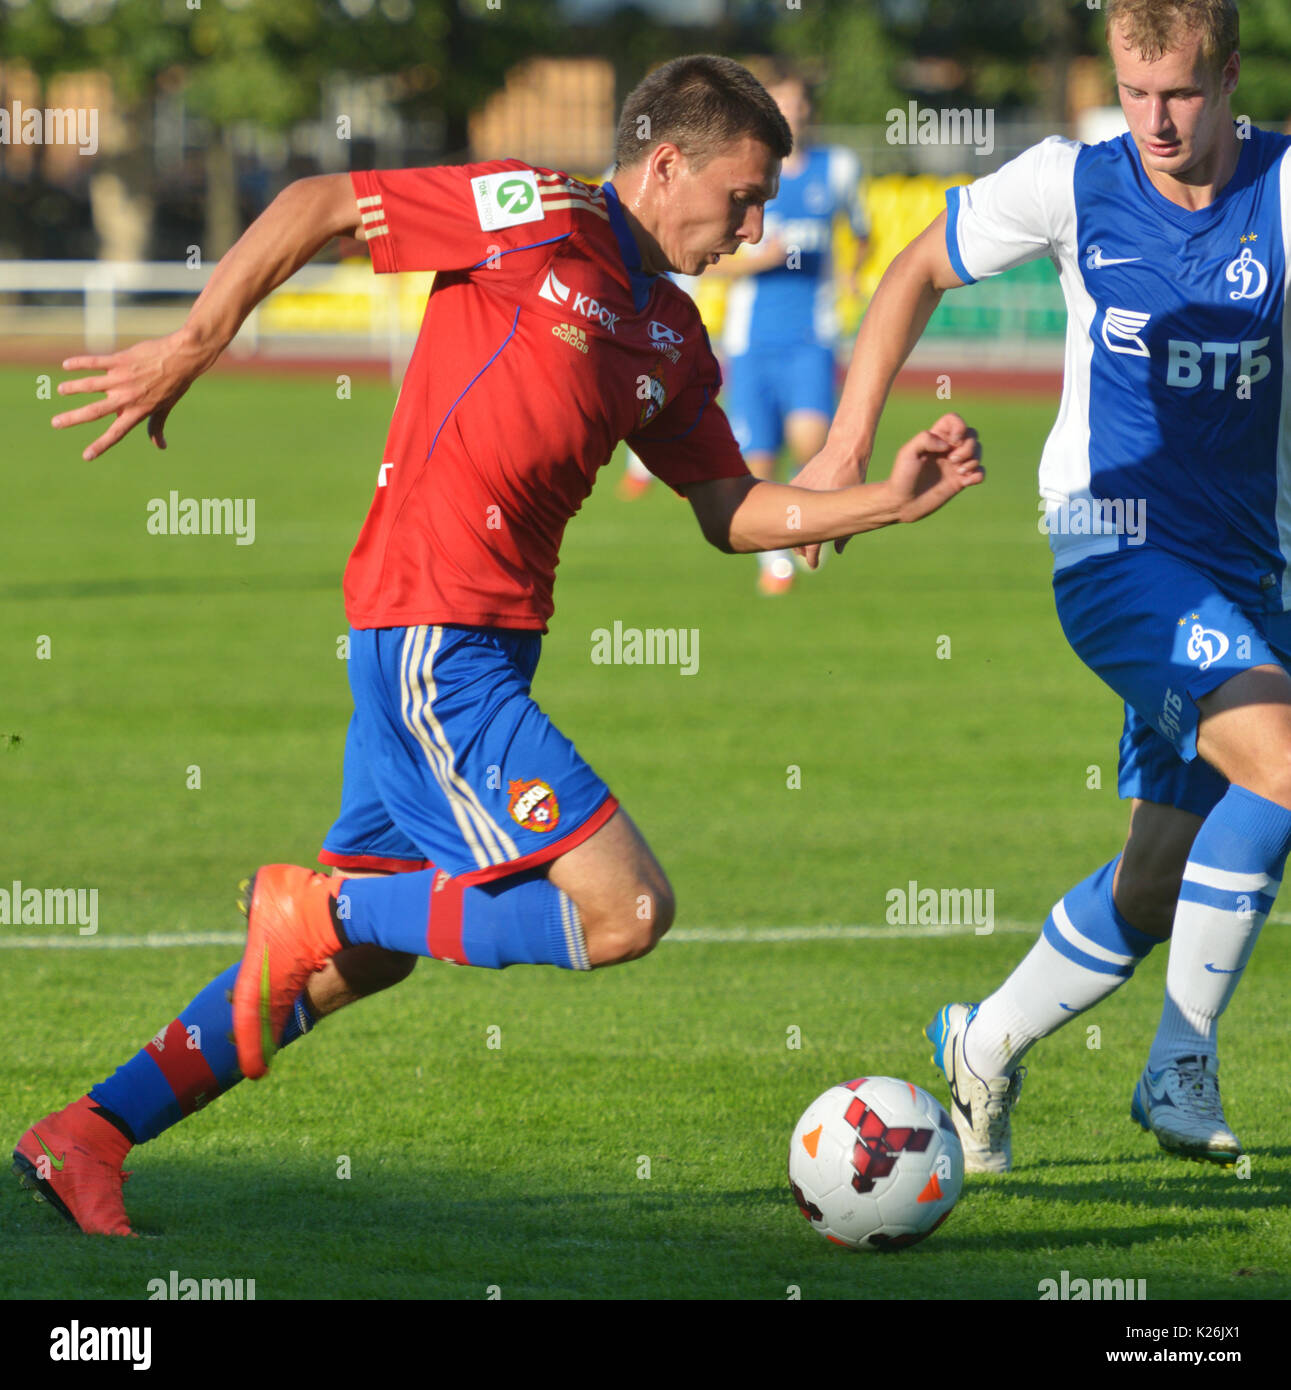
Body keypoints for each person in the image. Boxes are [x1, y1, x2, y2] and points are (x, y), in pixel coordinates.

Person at [15, 54, 983, 1235]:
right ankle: (320, 909)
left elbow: (729, 507)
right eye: (739, 197)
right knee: (623, 911)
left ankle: (88, 1134)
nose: (754, 225)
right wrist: (197, 338)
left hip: (479, 645)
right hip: (435, 634)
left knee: (356, 961)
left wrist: (884, 499)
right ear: (664, 162)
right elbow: (322, 202)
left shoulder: (671, 334)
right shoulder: (542, 216)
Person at [795, 0, 1287, 1172]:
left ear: (1226, 76)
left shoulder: (1284, 189)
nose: (1154, 120)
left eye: (1177, 91)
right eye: (1132, 90)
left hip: (1249, 573)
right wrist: (846, 442)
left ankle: (984, 1040)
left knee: (1156, 877)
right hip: (1112, 549)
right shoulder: (1070, 183)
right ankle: (1178, 1057)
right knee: (1281, 764)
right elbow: (918, 266)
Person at [708, 65, 868, 595]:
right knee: (757, 457)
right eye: (781, 105)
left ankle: (806, 532)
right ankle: (773, 558)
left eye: (798, 104)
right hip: (752, 338)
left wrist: (850, 272)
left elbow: (862, 232)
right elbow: (709, 260)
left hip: (811, 334)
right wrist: (755, 263)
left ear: (808, 109)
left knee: (811, 440)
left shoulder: (838, 169)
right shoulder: (743, 175)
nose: (792, 113)